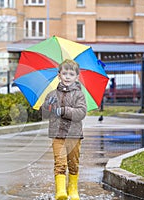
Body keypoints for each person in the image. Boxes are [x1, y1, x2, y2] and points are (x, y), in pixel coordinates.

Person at [41, 59, 87, 200]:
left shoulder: (79, 95)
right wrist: (47, 107)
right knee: (59, 162)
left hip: (74, 135)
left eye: (71, 74)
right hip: (57, 134)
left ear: (76, 77)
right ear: (59, 75)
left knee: (73, 162)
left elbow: (81, 113)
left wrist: (64, 110)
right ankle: (60, 191)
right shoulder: (51, 95)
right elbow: (44, 115)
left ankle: (73, 189)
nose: (67, 77)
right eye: (64, 73)